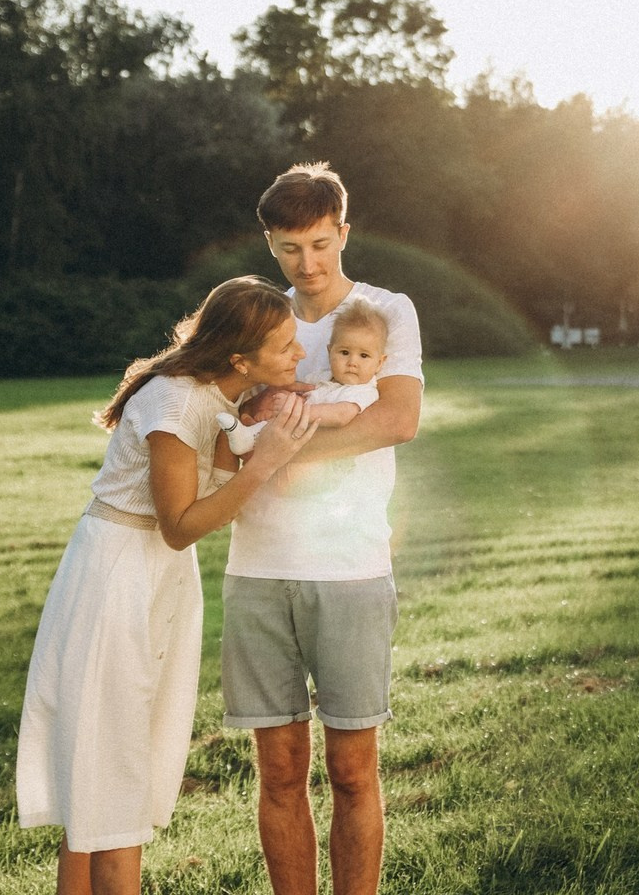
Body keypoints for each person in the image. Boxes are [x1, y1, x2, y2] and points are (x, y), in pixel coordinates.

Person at [16, 276, 320, 895]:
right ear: (240, 357)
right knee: (112, 772)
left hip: (155, 579)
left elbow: (214, 490)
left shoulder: (216, 397)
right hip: (117, 579)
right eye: (286, 346)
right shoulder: (177, 402)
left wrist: (258, 419)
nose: (299, 354)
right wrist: (264, 463)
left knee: (109, 773)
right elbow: (180, 525)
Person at [222, 163, 423, 895]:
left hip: (350, 567)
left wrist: (285, 452)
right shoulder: (253, 315)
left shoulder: (385, 311)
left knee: (350, 769)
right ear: (269, 244)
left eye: (318, 244)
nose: (305, 265)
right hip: (258, 570)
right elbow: (225, 420)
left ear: (343, 232)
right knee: (277, 773)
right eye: (287, 248)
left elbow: (397, 419)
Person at [218, 299, 389, 461]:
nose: (352, 362)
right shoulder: (321, 377)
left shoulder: (364, 391)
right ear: (330, 352)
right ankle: (251, 435)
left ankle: (249, 439)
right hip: (299, 440)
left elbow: (340, 416)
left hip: (326, 459)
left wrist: (294, 410)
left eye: (364, 356)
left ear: (379, 363)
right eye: (344, 352)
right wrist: (278, 406)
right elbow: (300, 395)